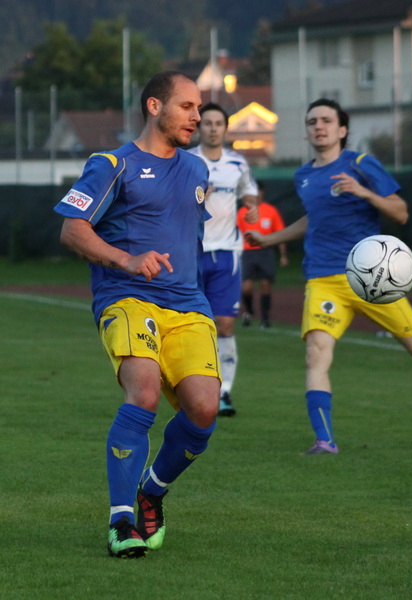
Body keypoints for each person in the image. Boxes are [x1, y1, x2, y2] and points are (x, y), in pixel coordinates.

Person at [246, 98, 412, 455]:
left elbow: (401, 212)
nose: (319, 126)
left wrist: (363, 191)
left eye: (326, 120)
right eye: (312, 121)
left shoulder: (361, 164)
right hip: (323, 278)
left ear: (342, 130)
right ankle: (325, 440)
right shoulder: (304, 176)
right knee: (316, 354)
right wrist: (269, 239)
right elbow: (314, 219)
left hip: (370, 277)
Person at [54, 71, 221, 558]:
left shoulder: (197, 170)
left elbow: (187, 237)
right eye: (187, 106)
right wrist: (126, 259)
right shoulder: (112, 164)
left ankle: (152, 491)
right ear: (154, 106)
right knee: (144, 393)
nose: (197, 116)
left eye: (199, 107)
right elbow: (72, 229)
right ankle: (121, 521)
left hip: (188, 305)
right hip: (127, 298)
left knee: (204, 410)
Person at [189, 102, 258, 417]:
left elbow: (248, 190)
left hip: (228, 253)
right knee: (192, 323)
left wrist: (251, 206)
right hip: (192, 252)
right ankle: (192, 388)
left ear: (226, 129)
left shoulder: (238, 163)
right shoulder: (188, 161)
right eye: (208, 123)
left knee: (225, 323)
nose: (213, 128)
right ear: (199, 127)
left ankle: (224, 392)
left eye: (218, 123)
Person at [237, 180, 289, 328]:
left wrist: (283, 255)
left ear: (262, 192)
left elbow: (280, 232)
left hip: (265, 251)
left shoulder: (271, 211)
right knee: (246, 287)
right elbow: (236, 234)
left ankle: (265, 318)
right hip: (247, 252)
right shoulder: (242, 212)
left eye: (257, 191)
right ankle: (249, 311)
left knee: (266, 284)